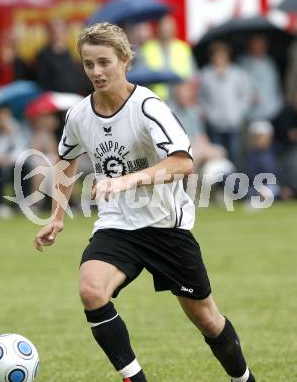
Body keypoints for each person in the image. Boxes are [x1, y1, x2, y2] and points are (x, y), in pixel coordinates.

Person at [34, 23, 255, 382]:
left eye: (104, 62)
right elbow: (66, 160)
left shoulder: (148, 107)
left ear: (124, 60)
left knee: (207, 319)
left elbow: (184, 162)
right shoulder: (79, 115)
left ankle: (244, 379)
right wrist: (57, 216)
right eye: (89, 64)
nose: (97, 72)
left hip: (166, 225)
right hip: (117, 226)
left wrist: (126, 180)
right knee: (91, 290)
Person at [199, 42, 252, 168]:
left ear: (227, 56)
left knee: (235, 155)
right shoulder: (205, 75)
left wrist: (238, 113)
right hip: (215, 124)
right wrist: (208, 114)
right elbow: (200, 99)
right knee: (217, 157)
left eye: (222, 55)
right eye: (216, 55)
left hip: (233, 123)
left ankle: (234, 183)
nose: (219, 58)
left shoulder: (237, 73)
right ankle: (219, 184)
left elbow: (246, 96)